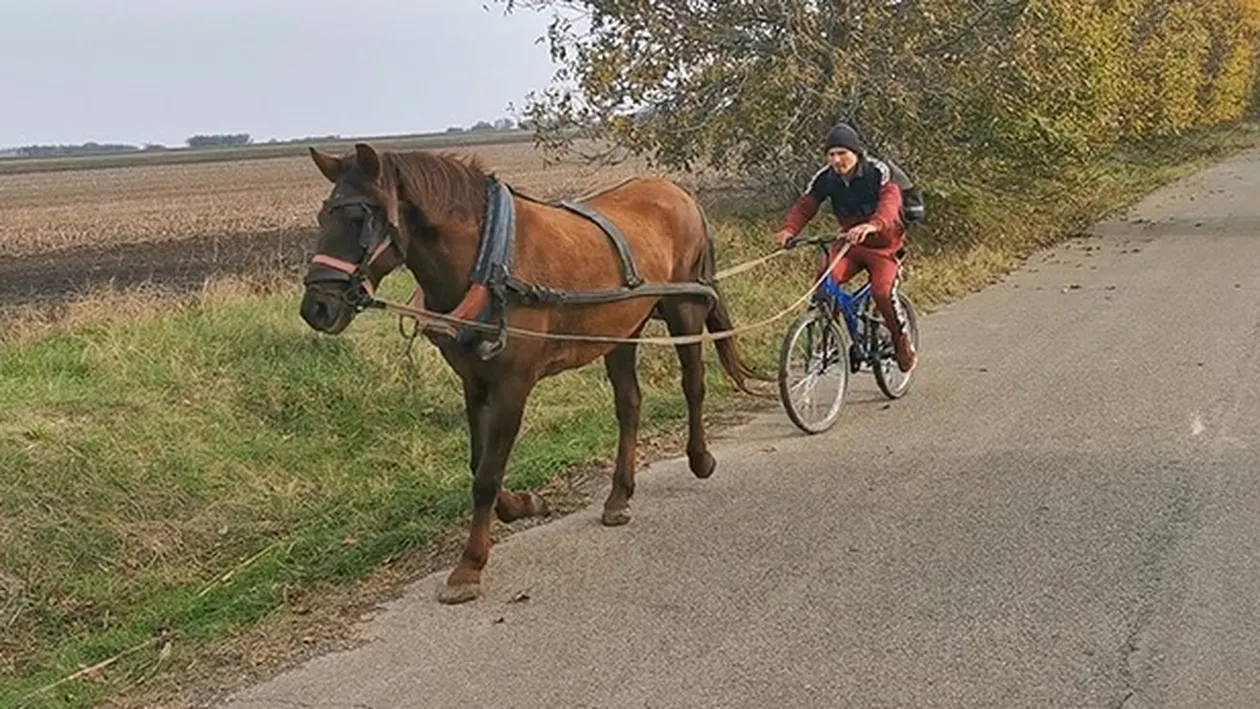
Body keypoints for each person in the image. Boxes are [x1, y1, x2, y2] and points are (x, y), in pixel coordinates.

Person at [774, 122, 918, 372]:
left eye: (842, 153)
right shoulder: (825, 178)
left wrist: (874, 225)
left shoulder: (877, 171)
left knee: (882, 293)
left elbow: (890, 201)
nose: (836, 160)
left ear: (856, 153)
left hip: (884, 247)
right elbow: (806, 206)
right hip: (849, 245)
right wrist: (789, 230)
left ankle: (901, 341)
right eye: (831, 154)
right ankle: (830, 339)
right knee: (824, 282)